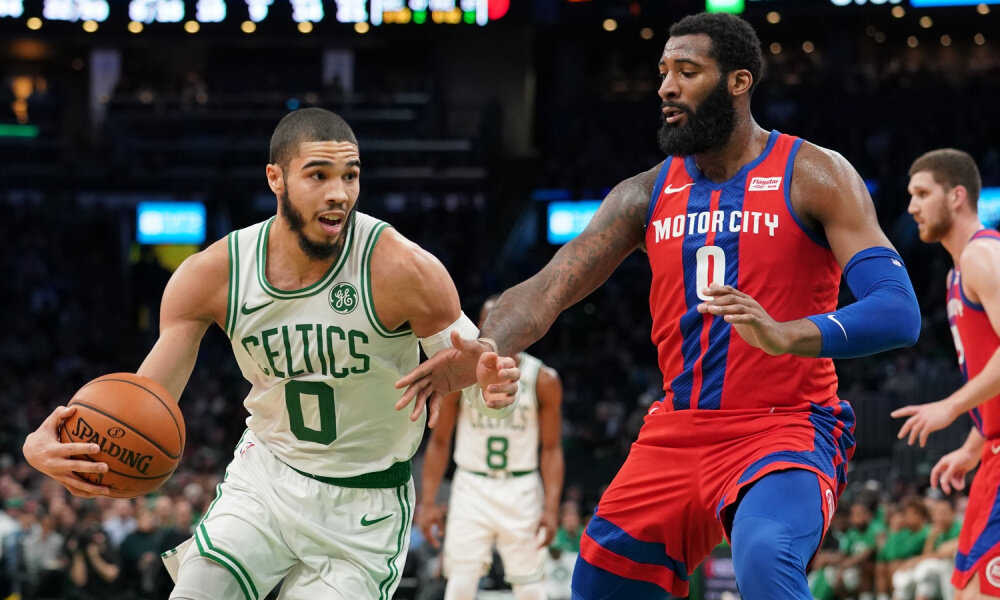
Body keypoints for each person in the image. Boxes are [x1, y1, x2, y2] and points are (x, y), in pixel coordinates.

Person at [396, 12, 921, 599]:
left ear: (738, 82)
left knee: (765, 558)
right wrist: (489, 345)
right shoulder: (644, 193)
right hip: (677, 432)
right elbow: (548, 289)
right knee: (596, 582)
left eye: (687, 72)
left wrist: (788, 333)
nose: (666, 86)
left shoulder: (814, 174)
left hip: (787, 428)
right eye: (663, 71)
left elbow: (898, 308)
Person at [21, 107, 520, 600]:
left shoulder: (404, 269)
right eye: (318, 175)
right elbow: (147, 401)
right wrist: (57, 448)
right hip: (266, 477)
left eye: (351, 175)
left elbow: (460, 367)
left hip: (364, 501)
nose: (339, 193)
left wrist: (487, 382)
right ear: (275, 178)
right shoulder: (214, 274)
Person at [894, 148, 1000, 599]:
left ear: (957, 196)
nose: (911, 206)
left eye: (922, 193)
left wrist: (951, 406)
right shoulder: (958, 272)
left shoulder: (982, 256)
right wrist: (974, 444)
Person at [417, 295, 564, 600]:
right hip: (471, 486)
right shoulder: (462, 375)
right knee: (459, 584)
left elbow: (551, 449)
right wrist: (428, 501)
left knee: (530, 588)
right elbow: (440, 440)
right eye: (492, 323)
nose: (502, 330)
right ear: (480, 328)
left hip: (521, 487)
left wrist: (551, 507)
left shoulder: (543, 379)